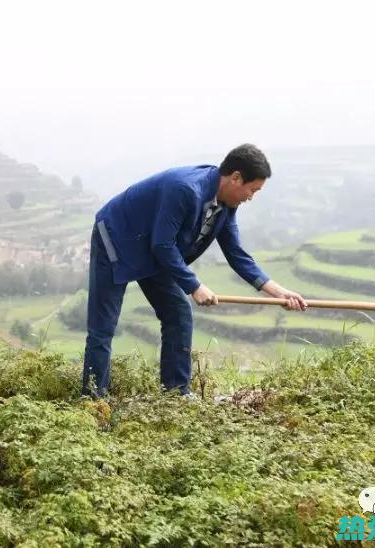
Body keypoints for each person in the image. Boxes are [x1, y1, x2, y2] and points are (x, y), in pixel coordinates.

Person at [82, 144, 307, 397]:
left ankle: (176, 394)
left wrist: (278, 292)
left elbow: (236, 254)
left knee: (178, 313)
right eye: (252, 190)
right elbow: (162, 244)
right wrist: (195, 286)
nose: (251, 197)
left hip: (154, 249)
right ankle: (93, 399)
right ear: (235, 178)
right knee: (103, 327)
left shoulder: (226, 204)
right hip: (117, 239)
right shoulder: (185, 189)